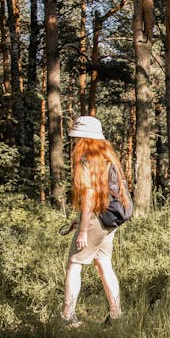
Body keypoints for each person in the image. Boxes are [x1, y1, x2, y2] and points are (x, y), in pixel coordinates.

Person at [62, 116, 129, 327]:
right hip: (110, 220)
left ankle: (67, 317)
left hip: (95, 219)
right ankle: (116, 315)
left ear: (83, 139)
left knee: (74, 264)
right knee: (103, 264)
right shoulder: (108, 157)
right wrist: (79, 220)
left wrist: (83, 230)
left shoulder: (85, 160)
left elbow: (90, 196)